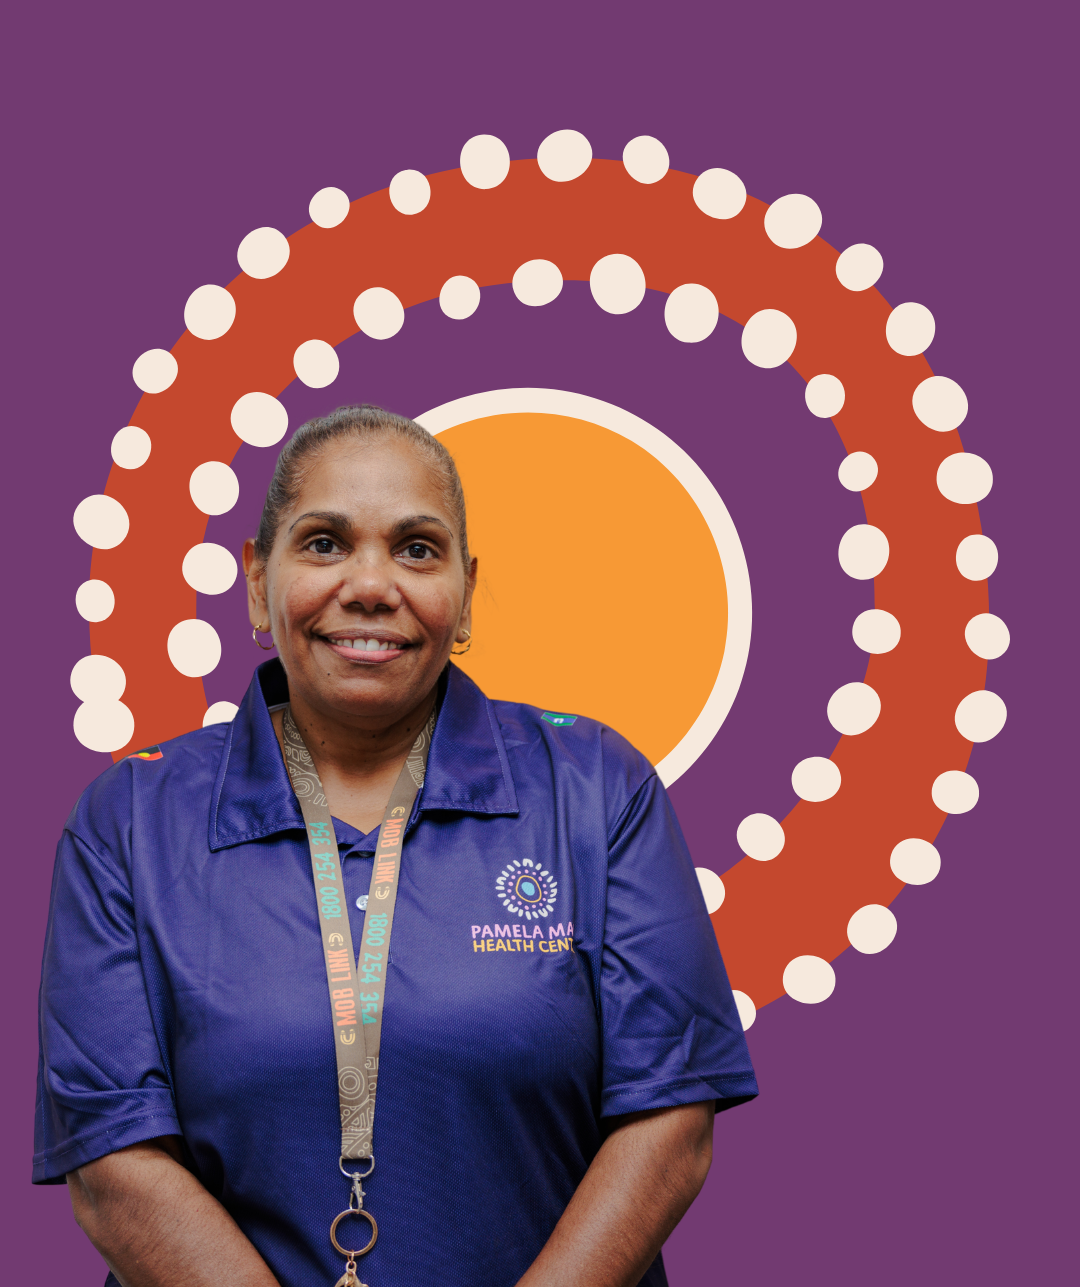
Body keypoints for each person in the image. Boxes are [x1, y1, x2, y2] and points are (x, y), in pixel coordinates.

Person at [35, 404, 757, 1287]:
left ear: (464, 590)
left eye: (417, 548)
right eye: (325, 543)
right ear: (258, 584)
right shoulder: (130, 820)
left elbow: (671, 1126)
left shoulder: (598, 790)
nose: (372, 585)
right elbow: (113, 1164)